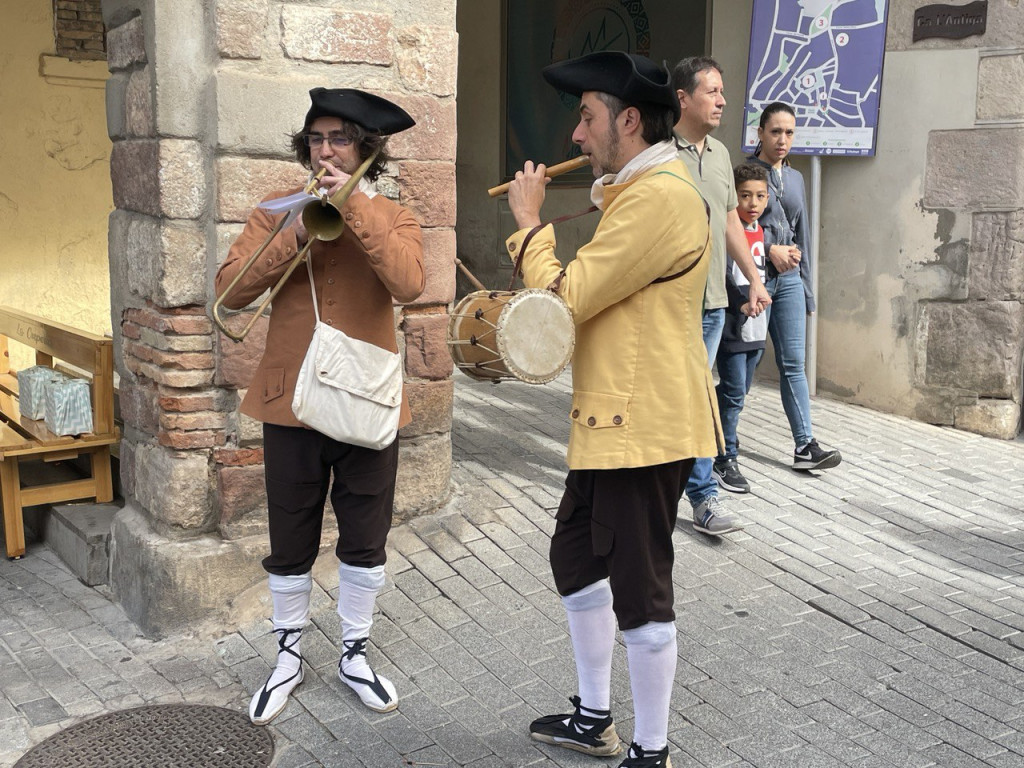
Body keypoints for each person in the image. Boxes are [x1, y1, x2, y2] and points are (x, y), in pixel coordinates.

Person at [505, 51, 722, 768]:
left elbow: (563, 301)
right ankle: (596, 717)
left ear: (629, 120)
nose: (575, 135)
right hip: (611, 421)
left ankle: (651, 751)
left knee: (641, 586)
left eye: (586, 116)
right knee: (575, 556)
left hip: (645, 424)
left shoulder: (660, 195)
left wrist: (529, 222)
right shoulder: (635, 190)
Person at [214, 87, 425, 725]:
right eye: (317, 139)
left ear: (366, 148)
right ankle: (287, 654)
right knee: (291, 535)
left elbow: (410, 284)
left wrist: (353, 208)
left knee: (366, 534)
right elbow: (230, 288)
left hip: (366, 401)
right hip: (290, 403)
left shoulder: (391, 215)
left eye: (339, 139)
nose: (326, 150)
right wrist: (301, 225)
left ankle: (355, 652)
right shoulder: (276, 211)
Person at [670, 57, 771, 529]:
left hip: (712, 304)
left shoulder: (720, 156)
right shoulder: (660, 155)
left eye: (722, 91)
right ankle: (673, 488)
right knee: (679, 398)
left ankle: (703, 496)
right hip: (672, 304)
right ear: (683, 98)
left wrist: (752, 277)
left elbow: (732, 222)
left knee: (699, 399)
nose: (723, 100)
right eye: (712, 91)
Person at [747, 102, 841, 471]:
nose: (783, 139)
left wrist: (807, 289)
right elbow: (737, 226)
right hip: (755, 277)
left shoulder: (798, 178)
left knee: (793, 365)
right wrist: (770, 248)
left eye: (789, 133)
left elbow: (804, 236)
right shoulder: (747, 173)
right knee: (744, 364)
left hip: (788, 283)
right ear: (761, 134)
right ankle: (720, 447)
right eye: (775, 132)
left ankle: (805, 446)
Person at [714, 163, 770, 489]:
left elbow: (767, 279)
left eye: (760, 196)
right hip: (733, 325)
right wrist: (740, 304)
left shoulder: (767, 234)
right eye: (745, 195)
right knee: (735, 393)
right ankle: (725, 458)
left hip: (757, 329)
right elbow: (720, 276)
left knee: (739, 391)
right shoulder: (725, 231)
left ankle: (711, 426)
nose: (752, 203)